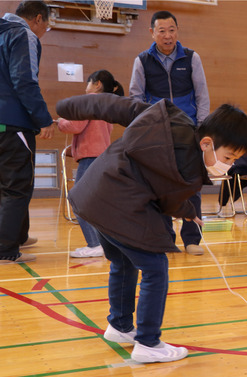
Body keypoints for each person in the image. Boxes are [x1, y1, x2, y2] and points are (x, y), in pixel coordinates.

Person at [57, 93, 247, 363]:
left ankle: (120, 325)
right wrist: (186, 211)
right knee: (155, 268)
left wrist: (67, 106)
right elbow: (168, 201)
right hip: (119, 205)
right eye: (228, 157)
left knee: (124, 262)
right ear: (207, 143)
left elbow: (116, 106)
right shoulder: (190, 171)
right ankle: (148, 342)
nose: (228, 165)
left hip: (93, 194)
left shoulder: (167, 119)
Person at [129, 10, 210, 256]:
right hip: (158, 133)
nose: (167, 35)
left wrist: (202, 128)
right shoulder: (142, 60)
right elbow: (135, 98)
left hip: (188, 132)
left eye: (171, 30)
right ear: (152, 32)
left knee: (190, 186)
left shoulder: (191, 58)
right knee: (159, 187)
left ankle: (192, 239)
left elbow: (202, 95)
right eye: (161, 31)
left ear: (178, 31)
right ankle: (165, 238)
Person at [0, 0, 55, 264]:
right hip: (13, 123)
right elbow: (25, 80)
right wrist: (43, 119)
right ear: (38, 19)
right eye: (47, 25)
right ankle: (6, 249)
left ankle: (17, 235)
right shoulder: (23, 34)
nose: (45, 31)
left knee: (4, 185)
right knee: (17, 186)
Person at [58, 70, 124, 258]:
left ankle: (95, 244)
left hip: (91, 157)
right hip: (100, 157)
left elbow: (74, 125)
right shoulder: (106, 104)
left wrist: (60, 121)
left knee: (79, 200)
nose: (86, 86)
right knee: (93, 203)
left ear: (97, 84)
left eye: (88, 82)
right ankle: (102, 243)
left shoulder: (91, 99)